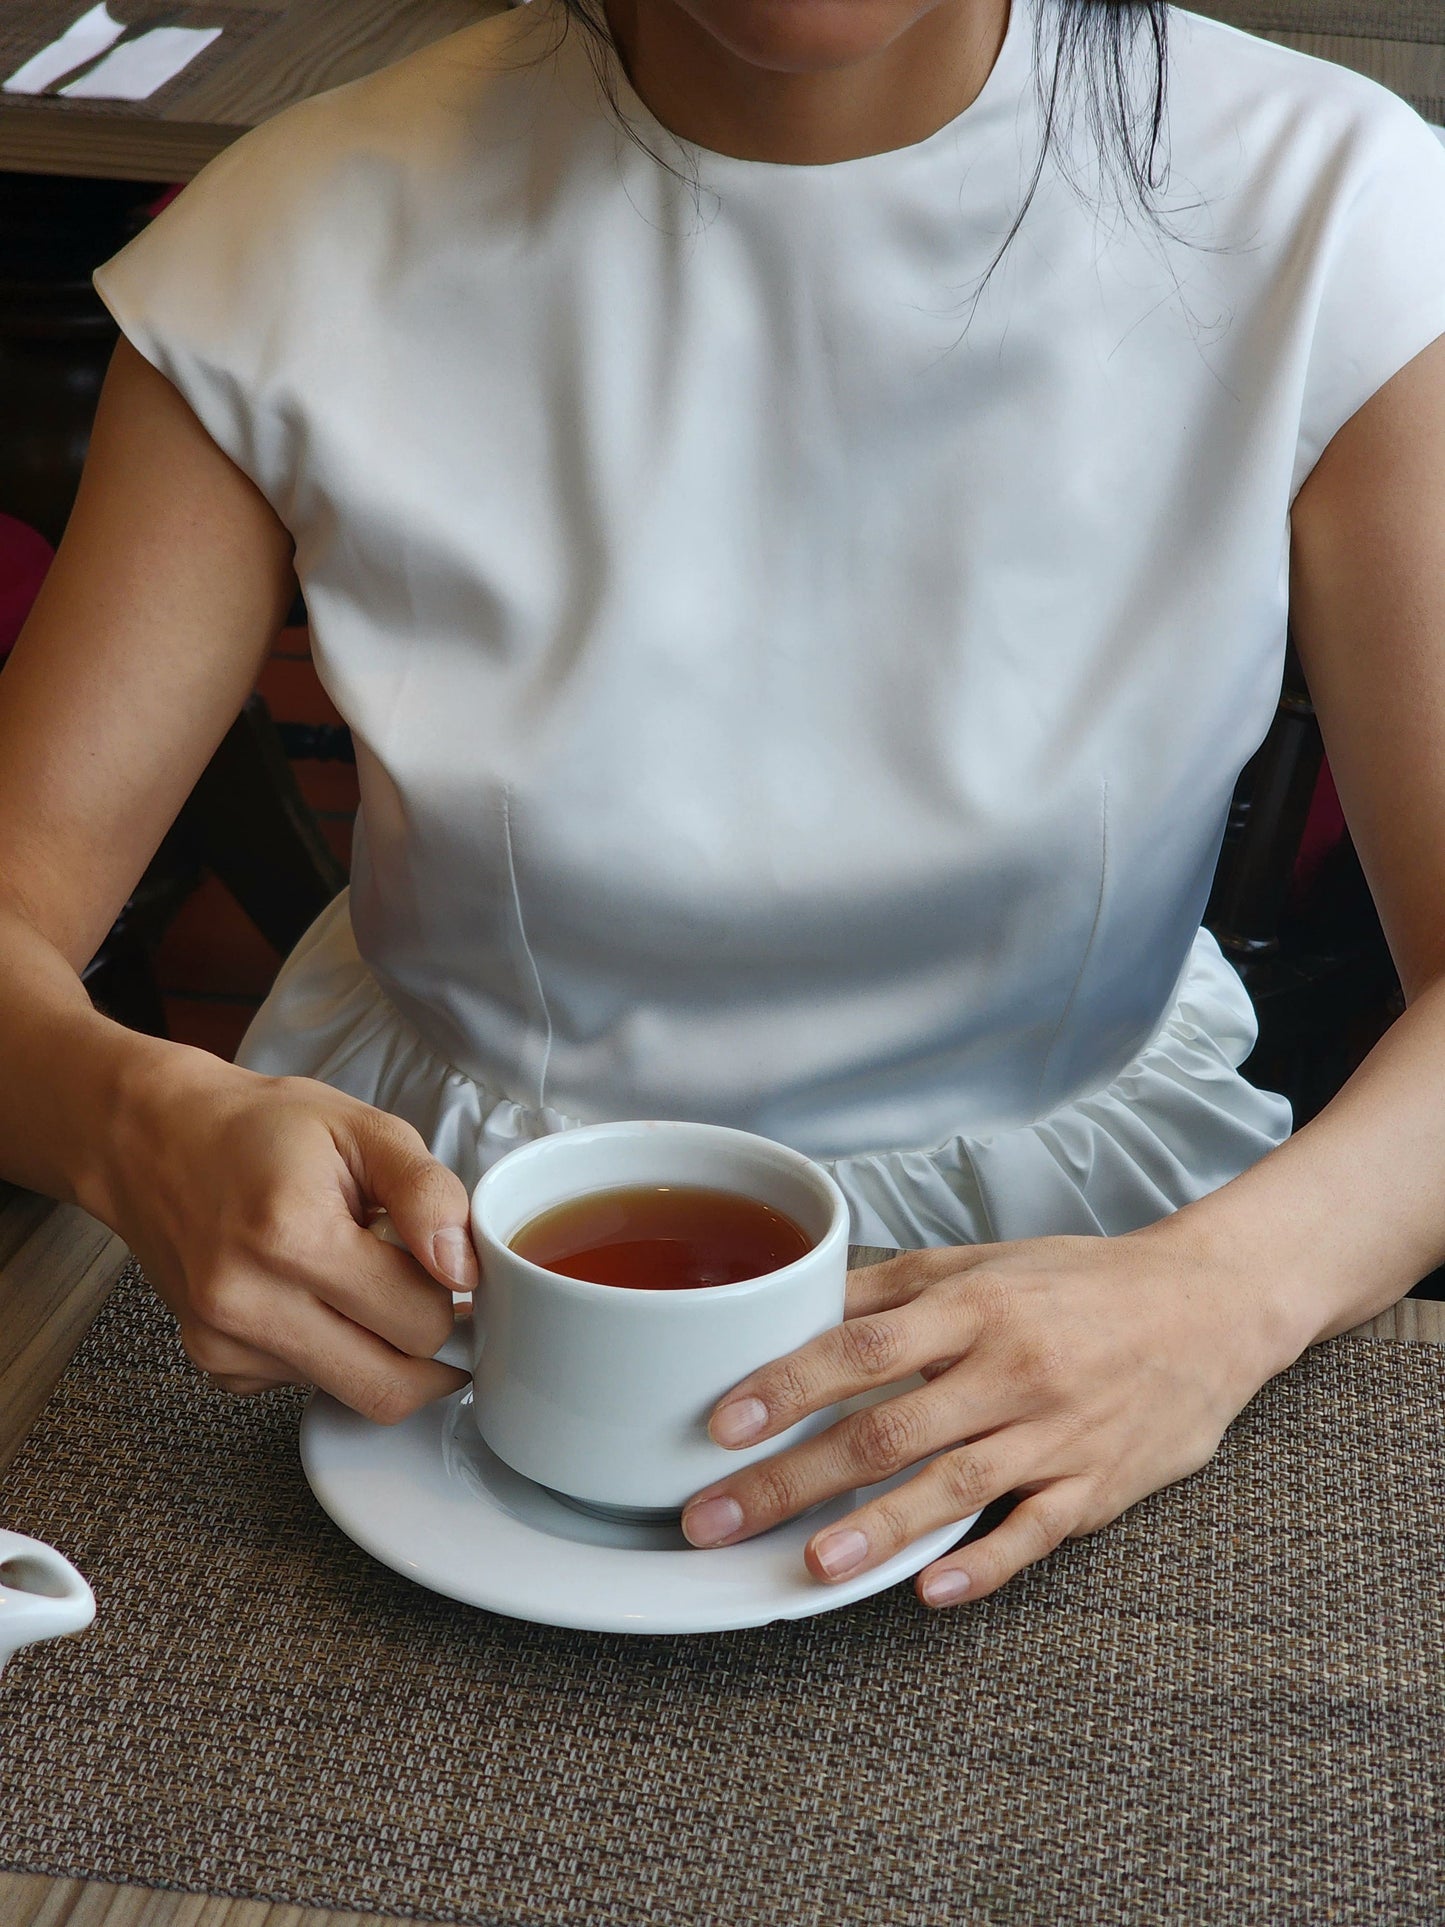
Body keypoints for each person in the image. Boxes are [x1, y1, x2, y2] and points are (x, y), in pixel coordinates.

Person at [2, 0, 1444, 1610]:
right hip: (414, 1296)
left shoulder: (1330, 211)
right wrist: (129, 1117)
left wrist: (1226, 1295)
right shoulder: (300, 231)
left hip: (1103, 1295)